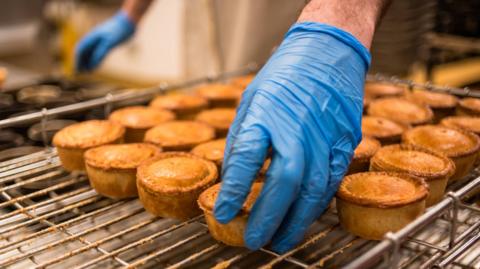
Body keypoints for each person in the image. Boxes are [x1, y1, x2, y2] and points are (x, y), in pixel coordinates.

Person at [76, 0, 390, 253]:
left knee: (306, 141)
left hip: (307, 35)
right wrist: (131, 13)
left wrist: (343, 16)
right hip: (214, 27)